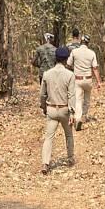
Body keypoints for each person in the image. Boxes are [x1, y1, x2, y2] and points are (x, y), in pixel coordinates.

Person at [39, 46, 76, 175]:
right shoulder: (70, 75)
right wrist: (72, 112)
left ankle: (45, 163)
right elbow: (71, 95)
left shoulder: (47, 74)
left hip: (51, 109)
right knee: (69, 135)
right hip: (64, 109)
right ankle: (70, 158)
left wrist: (44, 107)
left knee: (49, 137)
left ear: (56, 58)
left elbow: (42, 94)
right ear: (66, 59)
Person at [67, 34, 101, 130]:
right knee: (86, 100)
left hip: (78, 79)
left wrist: (74, 68)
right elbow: (95, 68)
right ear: (88, 43)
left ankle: (78, 118)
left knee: (78, 100)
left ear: (80, 42)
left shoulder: (74, 52)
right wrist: (99, 81)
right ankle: (84, 116)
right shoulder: (91, 53)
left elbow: (68, 64)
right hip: (88, 79)